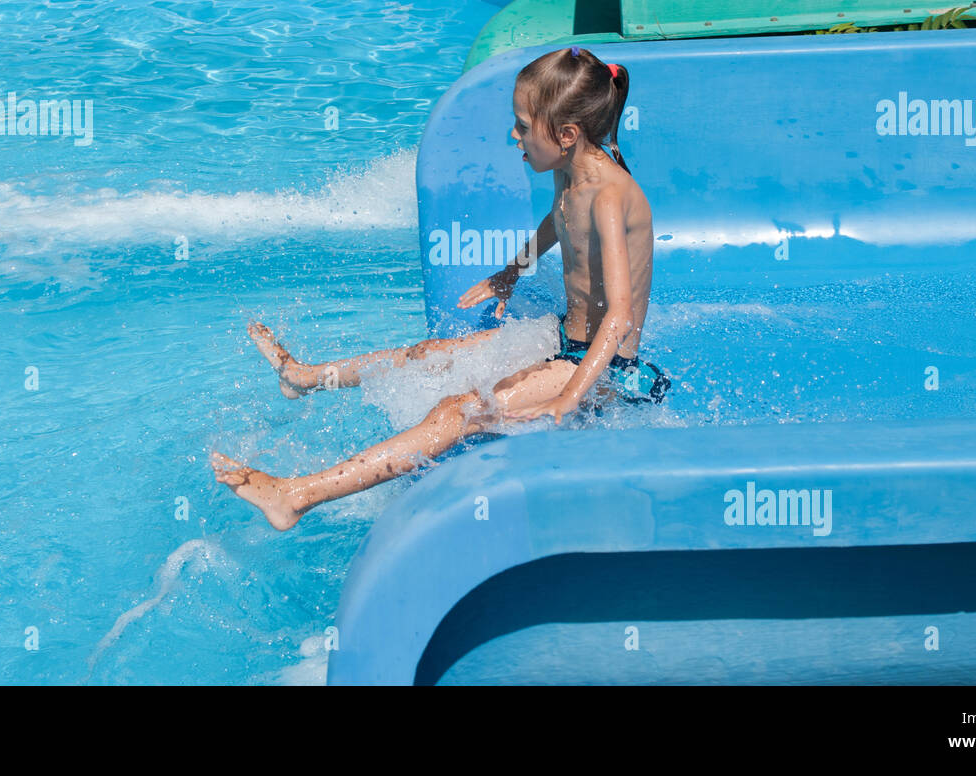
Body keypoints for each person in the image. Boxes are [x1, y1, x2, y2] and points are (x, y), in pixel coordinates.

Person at [211, 46, 671, 530]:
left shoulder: (611, 197)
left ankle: (296, 496)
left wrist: (568, 398)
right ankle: (304, 378)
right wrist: (509, 274)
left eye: (522, 125)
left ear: (566, 135)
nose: (513, 135)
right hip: (566, 338)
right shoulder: (570, 170)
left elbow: (618, 318)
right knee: (432, 353)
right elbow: (559, 224)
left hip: (604, 368)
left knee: (460, 410)